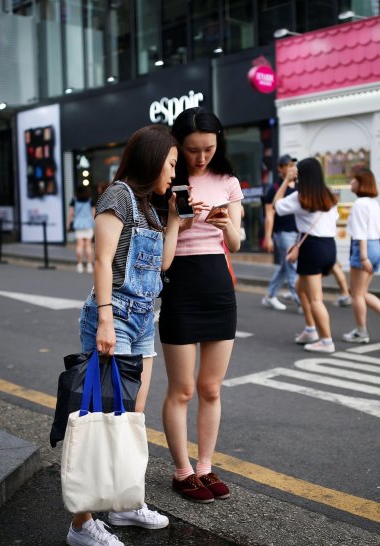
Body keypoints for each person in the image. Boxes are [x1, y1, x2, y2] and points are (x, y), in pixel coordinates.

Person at [67, 125, 180, 546]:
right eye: (171, 164)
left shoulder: (150, 208)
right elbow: (101, 260)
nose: (174, 173)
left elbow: (163, 264)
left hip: (143, 320)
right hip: (114, 315)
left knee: (129, 419)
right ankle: (81, 524)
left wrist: (176, 219)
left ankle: (124, 503)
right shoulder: (118, 196)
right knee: (99, 418)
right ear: (153, 159)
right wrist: (105, 320)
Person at [160, 107, 243, 503]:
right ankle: (182, 472)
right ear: (179, 145)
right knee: (182, 390)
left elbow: (236, 244)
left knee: (211, 388)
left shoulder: (228, 181)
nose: (201, 157)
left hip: (218, 288)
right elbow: (161, 255)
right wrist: (180, 222)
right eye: (193, 150)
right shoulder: (166, 181)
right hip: (180, 286)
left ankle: (206, 467)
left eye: (208, 148)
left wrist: (226, 225)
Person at [273, 158, 340, 353]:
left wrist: (286, 181)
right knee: (299, 287)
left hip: (312, 248)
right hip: (329, 246)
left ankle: (326, 341)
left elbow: (276, 205)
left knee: (316, 299)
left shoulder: (300, 197)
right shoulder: (330, 196)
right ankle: (311, 330)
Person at [343, 168, 380, 344]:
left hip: (364, 248)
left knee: (356, 294)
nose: (351, 183)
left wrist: (363, 257)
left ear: (361, 183)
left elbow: (360, 232)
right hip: (376, 247)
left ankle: (361, 332)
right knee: (362, 292)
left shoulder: (360, 204)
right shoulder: (373, 203)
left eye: (354, 180)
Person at [261, 154, 299, 311]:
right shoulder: (274, 189)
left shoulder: (298, 186)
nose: (291, 168)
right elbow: (269, 215)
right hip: (283, 233)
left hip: (298, 233)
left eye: (293, 165)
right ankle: (302, 303)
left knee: (286, 266)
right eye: (288, 165)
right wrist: (268, 237)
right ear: (279, 168)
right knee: (292, 267)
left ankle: (270, 296)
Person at [69, 184, 96, 273]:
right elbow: (93, 213)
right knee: (88, 245)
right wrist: (95, 224)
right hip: (88, 224)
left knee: (79, 245)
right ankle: (89, 265)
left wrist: (69, 224)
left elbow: (71, 213)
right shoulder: (90, 200)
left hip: (78, 224)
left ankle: (79, 265)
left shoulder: (74, 200)